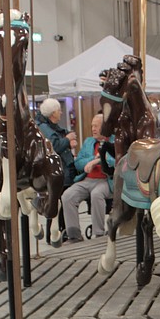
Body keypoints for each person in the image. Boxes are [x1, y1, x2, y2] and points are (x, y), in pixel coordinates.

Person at [61, 113, 115, 241]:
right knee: (67, 196)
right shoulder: (89, 142)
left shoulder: (114, 141)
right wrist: (92, 158)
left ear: (105, 127)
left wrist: (98, 160)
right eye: (92, 126)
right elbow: (78, 162)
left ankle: (99, 234)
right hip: (87, 180)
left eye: (96, 126)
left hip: (106, 181)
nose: (93, 129)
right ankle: (74, 235)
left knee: (96, 194)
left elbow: (116, 161)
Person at [36, 98, 79, 241]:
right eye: (59, 110)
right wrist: (67, 140)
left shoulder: (49, 126)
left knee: (59, 201)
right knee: (57, 201)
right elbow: (54, 146)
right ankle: (55, 233)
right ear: (53, 113)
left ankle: (60, 231)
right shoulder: (45, 128)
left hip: (62, 169)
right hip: (57, 171)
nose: (61, 112)